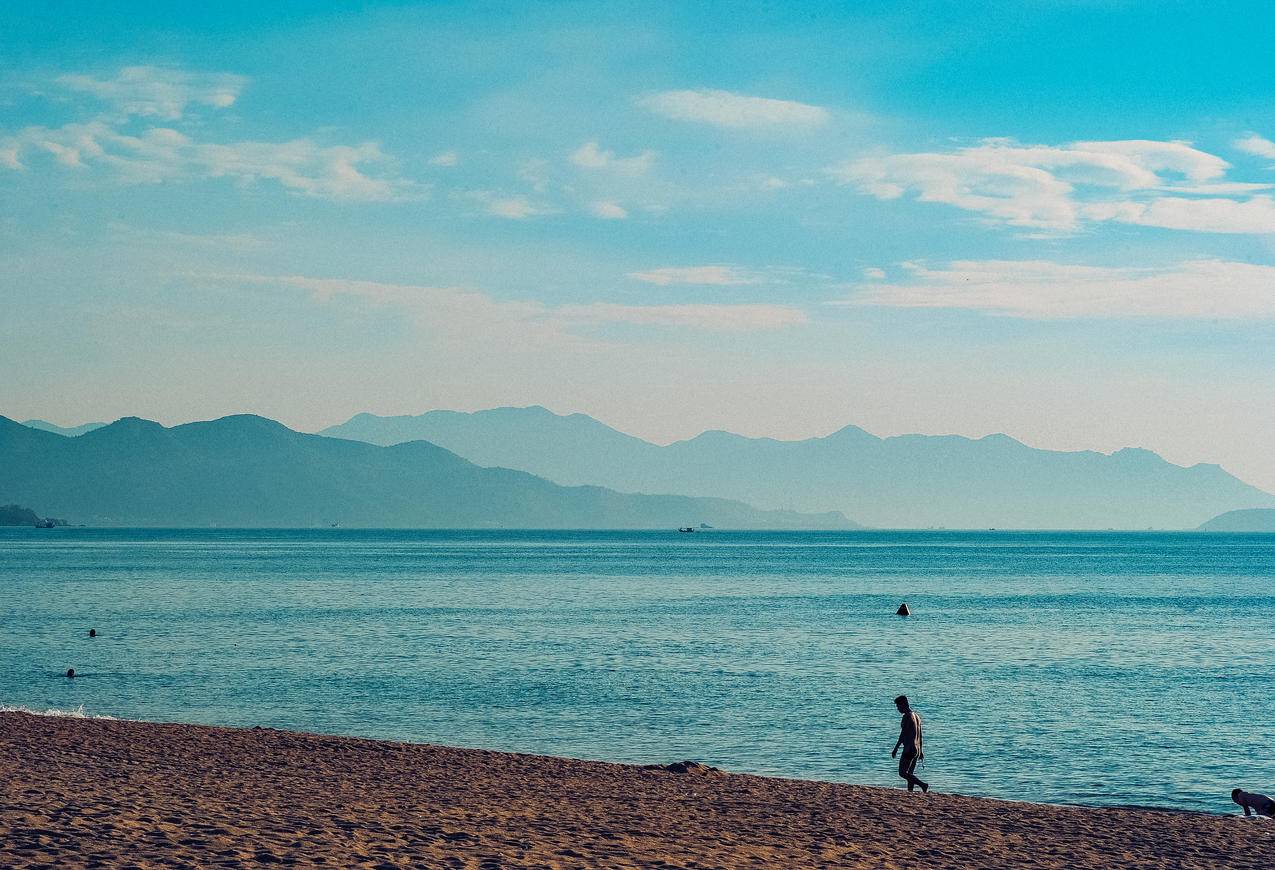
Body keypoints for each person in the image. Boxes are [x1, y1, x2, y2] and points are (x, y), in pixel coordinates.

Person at [891, 694, 929, 793]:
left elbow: (903, 734)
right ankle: (910, 793)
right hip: (916, 749)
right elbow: (920, 735)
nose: (898, 709)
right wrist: (921, 751)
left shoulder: (907, 716)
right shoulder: (917, 716)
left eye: (898, 706)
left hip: (909, 749)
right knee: (910, 773)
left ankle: (923, 785)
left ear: (904, 704)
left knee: (902, 773)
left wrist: (896, 748)